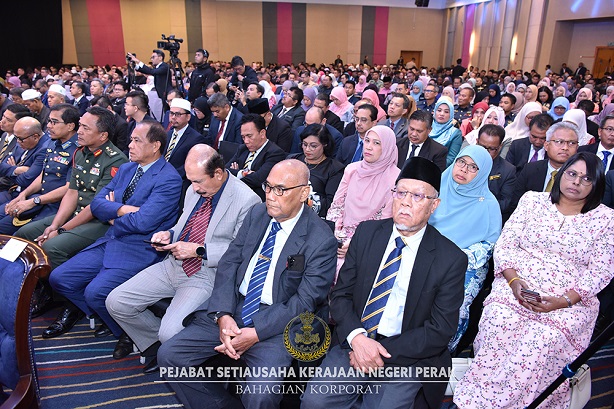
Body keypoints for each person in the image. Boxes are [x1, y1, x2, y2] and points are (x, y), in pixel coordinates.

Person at [157, 159, 337, 409]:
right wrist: (223, 314)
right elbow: (229, 262)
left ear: (303, 193)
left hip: (278, 323)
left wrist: (257, 333)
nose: (270, 196)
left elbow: (304, 302)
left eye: (280, 190)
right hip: (236, 306)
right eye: (268, 186)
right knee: (170, 356)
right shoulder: (258, 213)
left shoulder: (321, 239)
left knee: (261, 394)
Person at [302, 157, 468, 409]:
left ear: (434, 205)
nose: (405, 202)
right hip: (355, 340)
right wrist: (358, 339)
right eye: (401, 192)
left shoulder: (450, 258)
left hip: (408, 354)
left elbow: (440, 329)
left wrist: (377, 350)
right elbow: (341, 295)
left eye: (417, 196)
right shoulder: (367, 233)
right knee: (315, 402)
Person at [454, 152, 614, 409]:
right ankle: (482, 396)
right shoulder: (532, 201)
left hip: (569, 299)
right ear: (561, 174)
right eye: (572, 174)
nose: (576, 182)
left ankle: (526, 403)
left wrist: (562, 301)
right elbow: (506, 244)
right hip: (517, 285)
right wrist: (514, 282)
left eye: (587, 178)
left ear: (596, 184)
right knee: (499, 320)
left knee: (542, 340)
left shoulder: (606, 219)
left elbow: (601, 271)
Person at [106, 144, 260, 373]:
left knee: (170, 332)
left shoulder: (247, 201)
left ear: (218, 173)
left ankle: (169, 348)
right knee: (116, 302)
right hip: (174, 263)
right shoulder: (195, 190)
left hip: (206, 273)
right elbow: (184, 225)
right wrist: (168, 234)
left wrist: (199, 250)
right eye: (191, 181)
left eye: (198, 181)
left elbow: (242, 252)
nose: (194, 187)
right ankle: (157, 346)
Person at [429, 145, 502, 352]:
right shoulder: (435, 188)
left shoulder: (488, 204)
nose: (463, 169)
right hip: (427, 252)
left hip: (465, 264)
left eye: (473, 167)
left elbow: (488, 245)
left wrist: (453, 260)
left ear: (483, 173)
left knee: (453, 305)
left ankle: (440, 352)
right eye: (461, 162)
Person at [327, 125, 399, 274]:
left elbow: (383, 222)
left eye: (377, 143)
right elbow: (337, 205)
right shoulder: (352, 170)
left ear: (387, 148)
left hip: (369, 242)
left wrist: (354, 244)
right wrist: (336, 234)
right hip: (340, 235)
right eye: (367, 141)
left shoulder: (396, 179)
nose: (369, 147)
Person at [0, 104, 79, 235]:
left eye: (54, 122)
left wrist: (33, 201)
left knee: (19, 234)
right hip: (39, 198)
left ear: (70, 126)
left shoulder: (78, 149)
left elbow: (69, 188)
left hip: (57, 205)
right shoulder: (53, 143)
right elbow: (43, 175)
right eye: (49, 121)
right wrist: (23, 195)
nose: (49, 126)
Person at [510, 121, 580, 217]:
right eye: (559, 142)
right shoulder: (530, 169)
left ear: (577, 147)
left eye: (571, 143)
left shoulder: (581, 177)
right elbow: (516, 205)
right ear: (546, 145)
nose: (565, 147)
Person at [288, 124, 344, 217]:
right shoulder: (293, 160)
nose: (307, 149)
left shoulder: (334, 169)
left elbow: (330, 203)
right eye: (304, 144)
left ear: (325, 145)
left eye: (313, 146)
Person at [226, 114, 286, 201]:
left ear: (262, 133)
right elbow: (225, 170)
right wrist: (242, 173)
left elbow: (258, 179)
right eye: (243, 137)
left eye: (249, 136)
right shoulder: (243, 149)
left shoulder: (275, 153)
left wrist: (233, 176)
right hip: (234, 195)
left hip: (255, 199)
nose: (246, 141)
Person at [477, 124, 517, 215]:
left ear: (500, 147)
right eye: (482, 147)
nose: (485, 152)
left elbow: (505, 203)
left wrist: (478, 207)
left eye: (491, 149)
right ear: (477, 142)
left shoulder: (508, 170)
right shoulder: (464, 162)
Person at [429, 98, 462, 167]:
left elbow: (451, 158)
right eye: (439, 110)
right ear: (434, 112)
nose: (442, 114)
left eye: (446, 112)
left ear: (451, 114)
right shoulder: (427, 127)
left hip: (440, 169)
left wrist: (432, 166)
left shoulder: (455, 133)